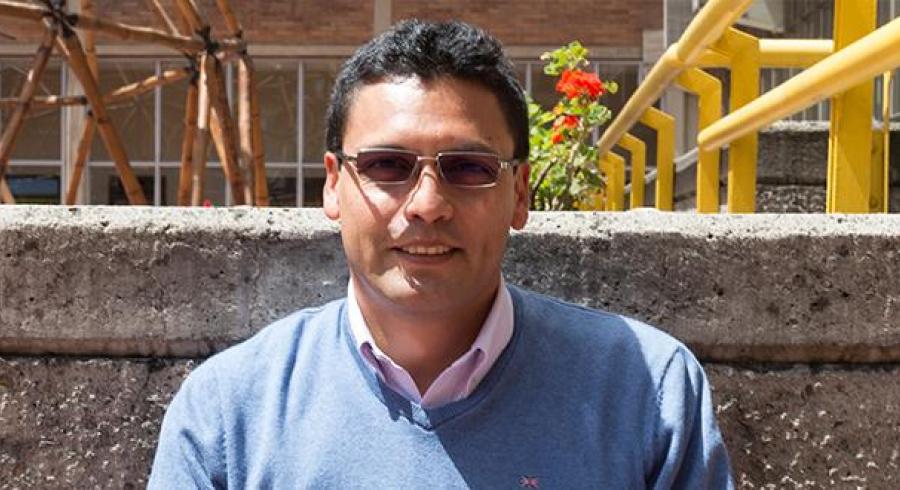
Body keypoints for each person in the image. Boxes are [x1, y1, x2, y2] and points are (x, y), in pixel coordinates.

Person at [149, 19, 733, 489]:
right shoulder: (229, 413)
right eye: (386, 165)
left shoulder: (647, 392)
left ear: (520, 193)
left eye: (469, 168)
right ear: (333, 185)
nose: (428, 204)